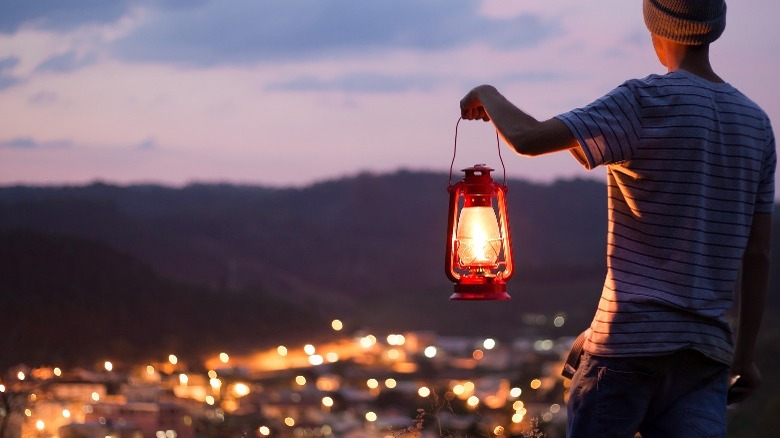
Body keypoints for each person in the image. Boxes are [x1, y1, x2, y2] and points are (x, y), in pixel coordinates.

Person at [460, 1, 775, 437]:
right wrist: (744, 358)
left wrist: (486, 93)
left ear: (656, 25)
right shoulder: (756, 124)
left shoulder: (644, 100)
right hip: (704, 357)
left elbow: (528, 139)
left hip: (628, 347)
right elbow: (757, 253)